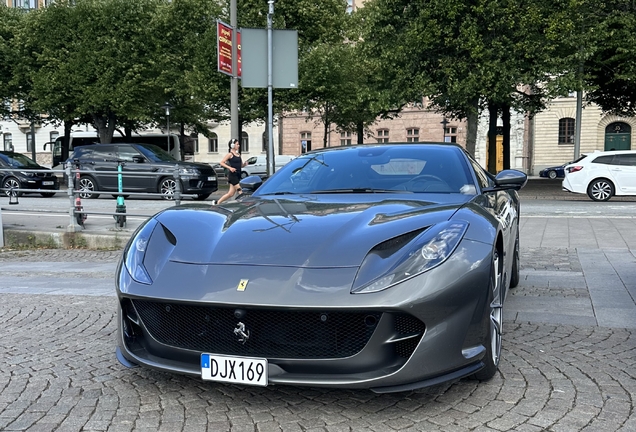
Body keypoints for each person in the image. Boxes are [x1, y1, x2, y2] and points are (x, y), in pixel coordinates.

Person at [214, 138, 247, 205]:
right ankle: (244, 204)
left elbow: (240, 165)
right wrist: (230, 168)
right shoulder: (230, 154)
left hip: (238, 175)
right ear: (232, 145)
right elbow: (222, 162)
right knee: (240, 191)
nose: (239, 145)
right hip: (233, 175)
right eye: (237, 144)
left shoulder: (238, 155)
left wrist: (244, 164)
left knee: (230, 194)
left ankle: (217, 202)